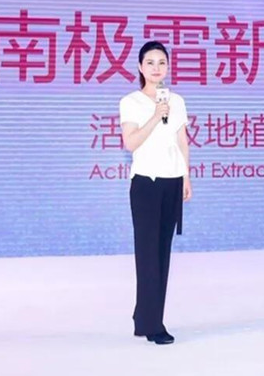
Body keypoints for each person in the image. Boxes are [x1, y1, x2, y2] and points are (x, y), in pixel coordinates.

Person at [119, 40, 192, 345]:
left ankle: (145, 316)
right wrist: (155, 114)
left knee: (162, 253)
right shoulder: (131, 102)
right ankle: (153, 324)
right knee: (148, 254)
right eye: (150, 62)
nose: (156, 68)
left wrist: (186, 175)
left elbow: (181, 140)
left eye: (162, 62)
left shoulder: (177, 101)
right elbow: (130, 143)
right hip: (146, 184)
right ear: (140, 67)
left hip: (172, 181)